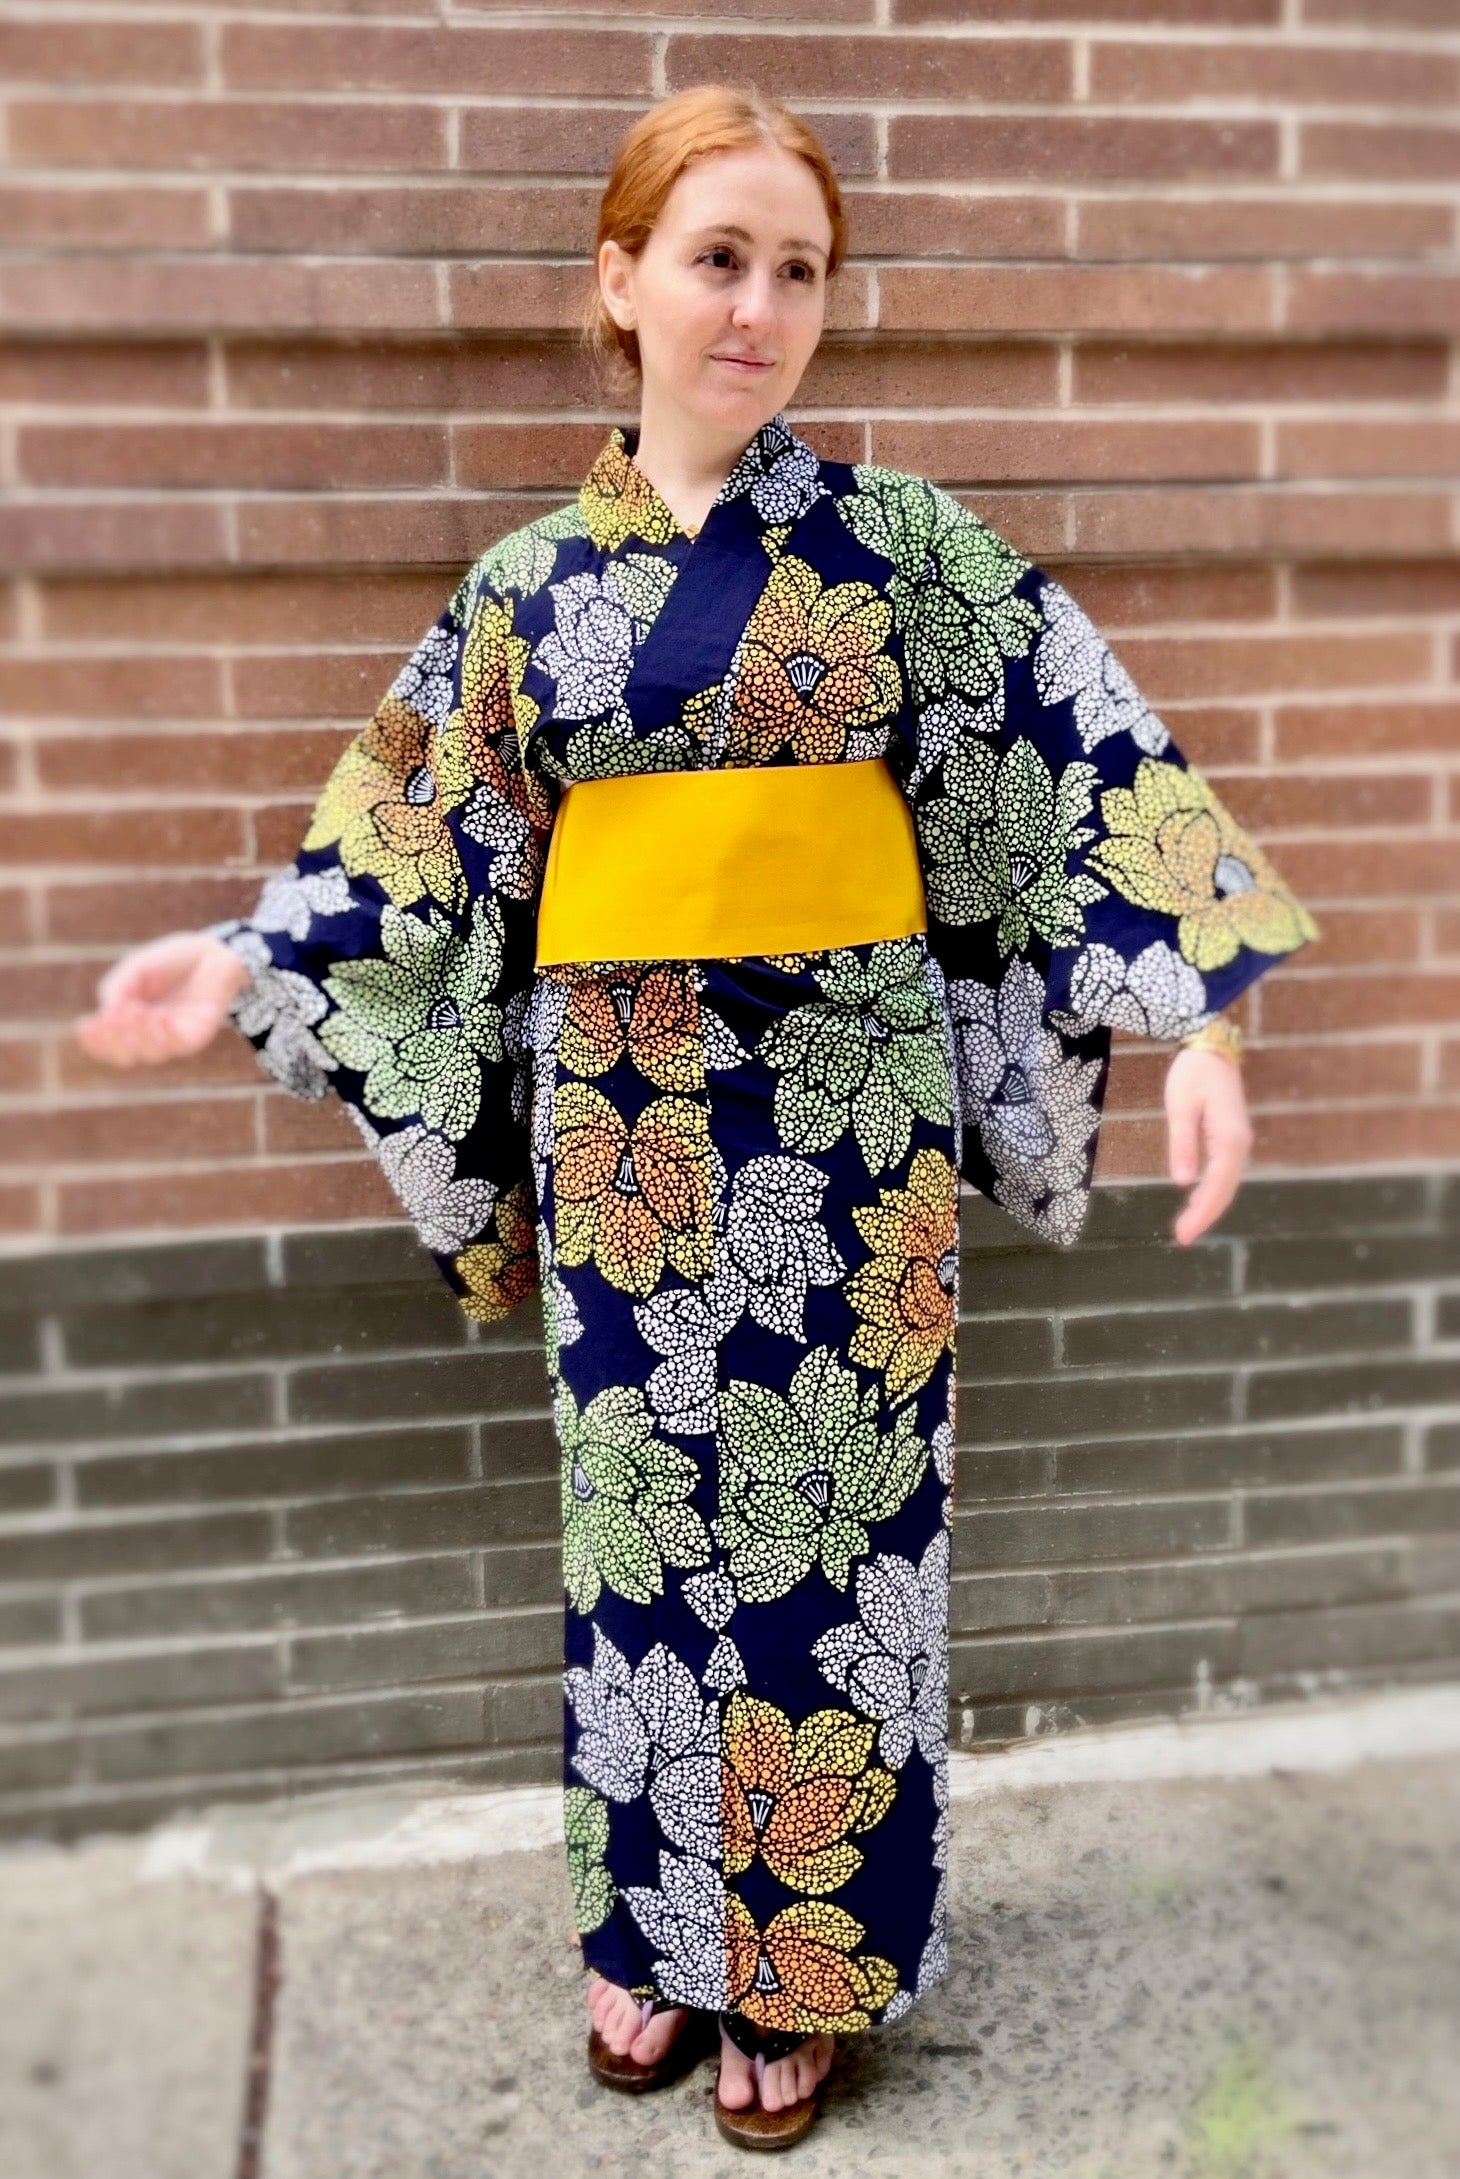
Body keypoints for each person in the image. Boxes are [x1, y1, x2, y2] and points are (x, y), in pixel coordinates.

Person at [74, 83, 1320, 2154]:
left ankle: (805, 1965)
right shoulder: (527, 591)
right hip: (626, 1122)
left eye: (797, 268)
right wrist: (245, 958)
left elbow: (1070, 762)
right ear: (622, 284)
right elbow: (412, 841)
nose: (756, 305)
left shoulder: (904, 554)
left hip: (854, 1117)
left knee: (841, 1537)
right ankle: (658, 1931)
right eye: (716, 257)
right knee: (641, 1528)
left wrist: (1200, 1023)